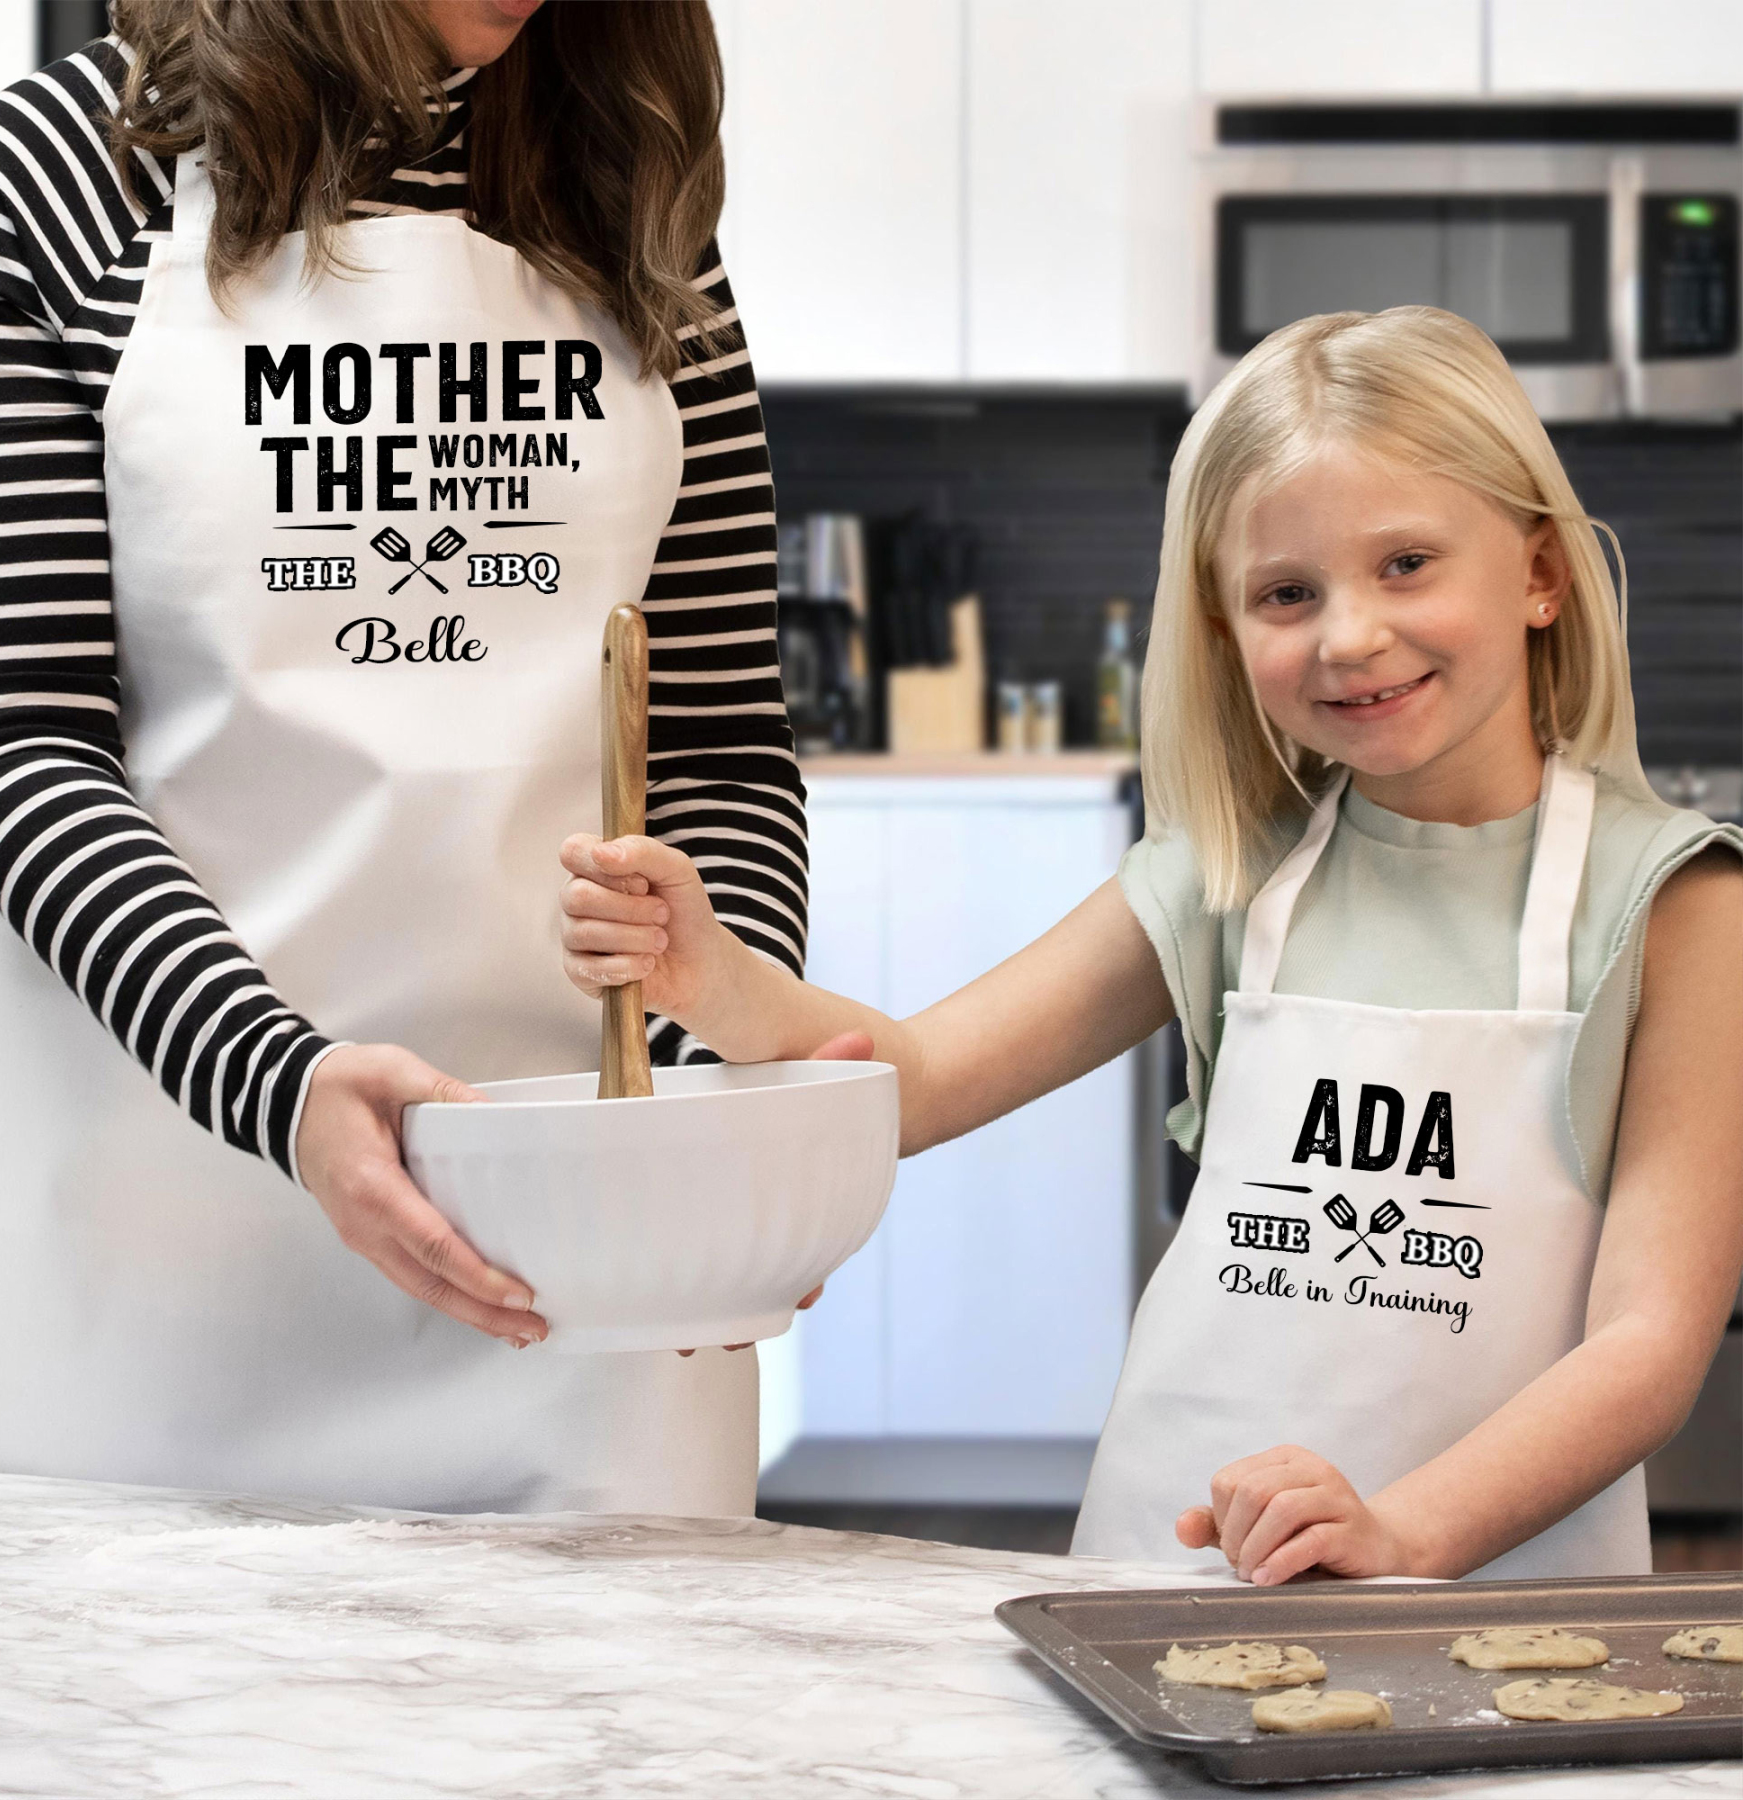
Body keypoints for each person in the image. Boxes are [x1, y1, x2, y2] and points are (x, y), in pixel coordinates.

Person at [560, 306, 1743, 1581]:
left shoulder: (1675, 905)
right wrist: (707, 976)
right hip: (1173, 1562)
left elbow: (1647, 1343)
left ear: (1540, 573)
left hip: (1485, 1593)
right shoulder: (1226, 875)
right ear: (1228, 635)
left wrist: (1404, 1534)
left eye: (1407, 564)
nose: (1348, 634)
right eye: (1288, 592)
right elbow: (916, 1076)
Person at [0, 0, 809, 1516]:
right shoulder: (33, 184)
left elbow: (723, 750)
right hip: (155, 1252)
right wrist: (282, 1084)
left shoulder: (631, 192)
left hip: (579, 1273)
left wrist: (691, 1124)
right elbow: (20, 741)